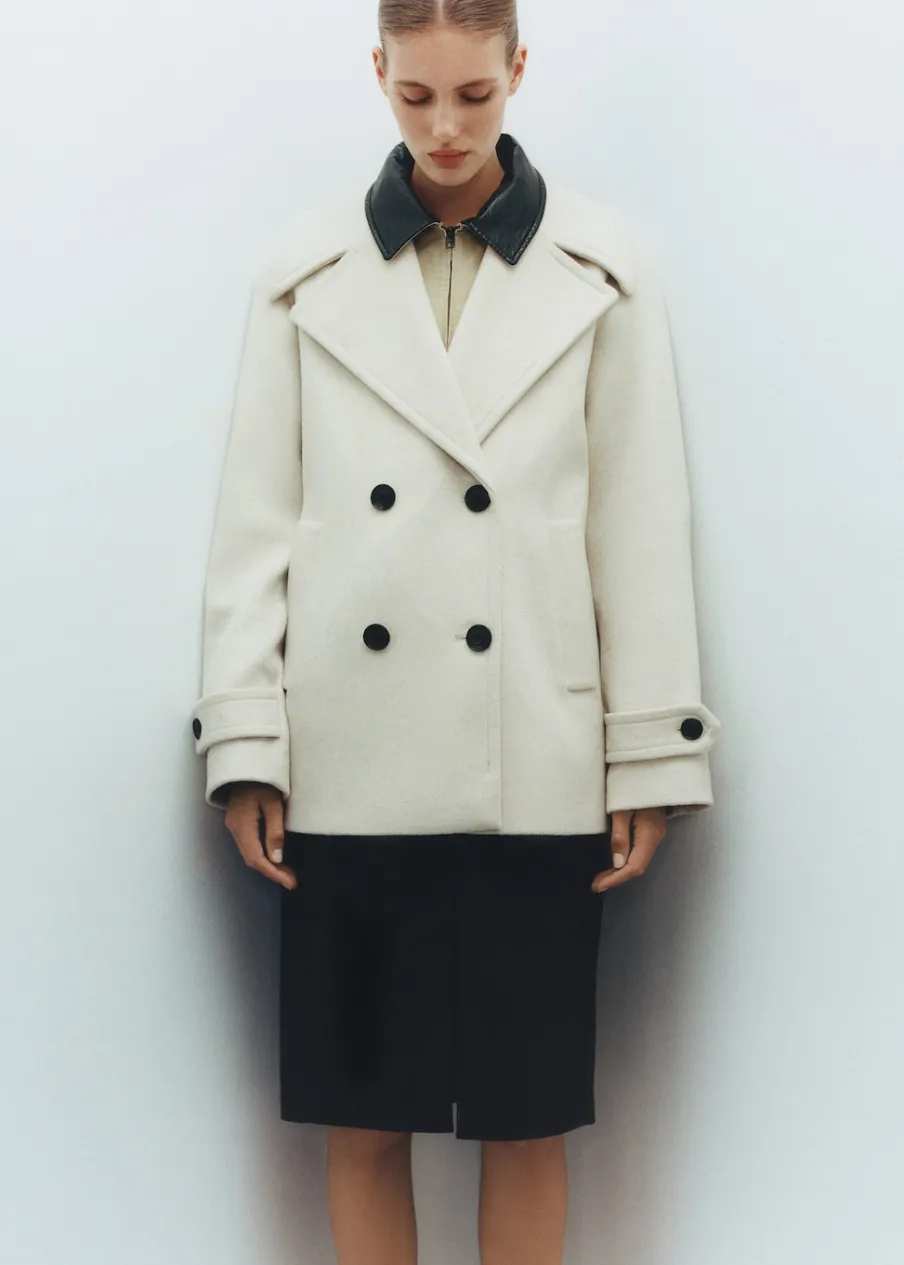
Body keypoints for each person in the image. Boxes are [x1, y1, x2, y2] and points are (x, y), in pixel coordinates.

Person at [189, 1, 722, 1261]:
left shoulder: (601, 270)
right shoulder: (303, 273)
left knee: (523, 1119)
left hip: (533, 756)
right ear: (377, 70)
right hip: (348, 756)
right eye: (416, 95)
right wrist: (246, 740)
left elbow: (638, 525)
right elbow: (255, 524)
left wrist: (648, 751)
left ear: (517, 68)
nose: (444, 127)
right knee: (363, 1117)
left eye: (473, 95)